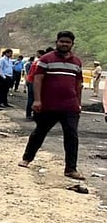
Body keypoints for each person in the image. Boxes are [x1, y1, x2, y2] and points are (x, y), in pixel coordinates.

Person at [19, 31, 85, 180]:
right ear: (57, 42)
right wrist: (37, 100)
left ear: (72, 44)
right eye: (62, 41)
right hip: (48, 105)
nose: (64, 44)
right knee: (40, 132)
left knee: (72, 136)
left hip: (70, 106)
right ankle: (27, 158)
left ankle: (71, 169)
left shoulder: (77, 62)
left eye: (67, 42)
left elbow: (78, 84)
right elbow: (37, 80)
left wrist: (78, 103)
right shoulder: (46, 59)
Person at [24, 50, 47, 119]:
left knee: (31, 98)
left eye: (38, 54)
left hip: (30, 80)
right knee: (34, 98)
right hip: (33, 82)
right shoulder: (40, 63)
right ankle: (33, 114)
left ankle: (29, 114)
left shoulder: (36, 62)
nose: (37, 55)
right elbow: (37, 74)